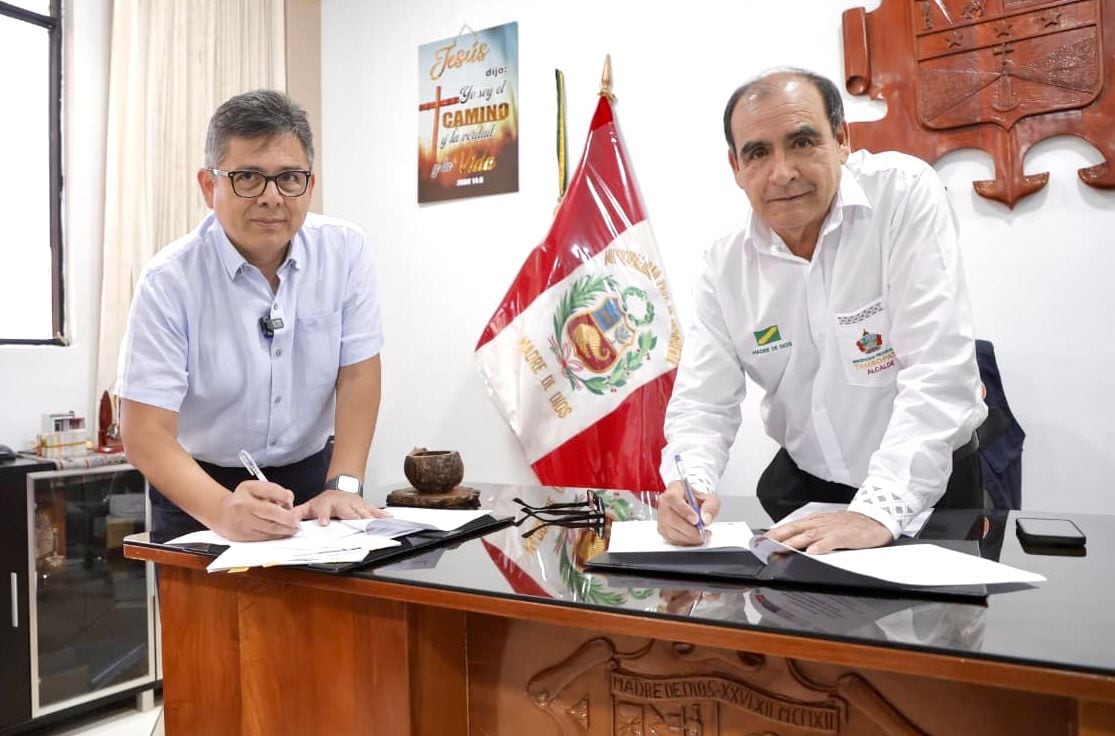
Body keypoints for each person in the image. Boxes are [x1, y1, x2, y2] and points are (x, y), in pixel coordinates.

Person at [657, 69, 987, 553]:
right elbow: (704, 402)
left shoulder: (902, 194)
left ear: (841, 140)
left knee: (934, 628)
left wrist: (877, 510)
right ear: (736, 167)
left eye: (803, 142)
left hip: (926, 488)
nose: (782, 172)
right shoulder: (725, 267)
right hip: (809, 492)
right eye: (758, 152)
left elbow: (939, 372)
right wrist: (688, 485)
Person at [118, 90, 387, 541]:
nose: (271, 197)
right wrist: (223, 510)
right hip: (199, 491)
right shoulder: (169, 280)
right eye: (248, 178)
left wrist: (343, 483)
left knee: (326, 614)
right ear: (209, 186)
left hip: (311, 483)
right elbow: (145, 432)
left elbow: (359, 373)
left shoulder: (344, 250)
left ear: (310, 184)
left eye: (288, 178)